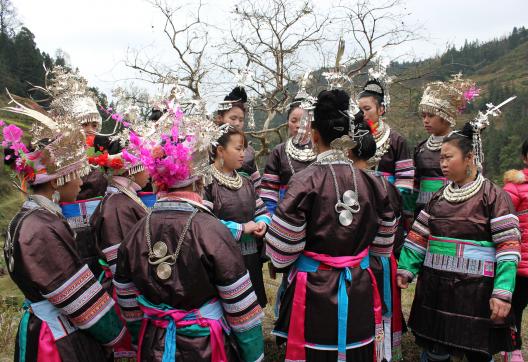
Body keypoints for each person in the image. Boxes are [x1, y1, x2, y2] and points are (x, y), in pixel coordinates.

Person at [114, 97, 265, 361]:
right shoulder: (212, 230)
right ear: (199, 180)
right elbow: (242, 310)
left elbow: (127, 301)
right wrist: (253, 355)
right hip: (205, 346)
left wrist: (143, 335)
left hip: (154, 345)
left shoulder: (137, 231)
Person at [266, 89, 396, 361]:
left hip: (312, 292)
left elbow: (280, 251)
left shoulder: (304, 181)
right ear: (349, 139)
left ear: (314, 136)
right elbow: (383, 247)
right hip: (359, 287)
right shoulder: (374, 183)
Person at [2, 96, 129, 361]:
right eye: (77, 173)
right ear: (59, 180)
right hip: (57, 338)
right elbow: (79, 300)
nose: (82, 181)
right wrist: (118, 335)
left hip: (50, 326)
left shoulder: (30, 218)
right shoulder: (41, 228)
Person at [397, 123, 521, 362]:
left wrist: (502, 291)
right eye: (440, 158)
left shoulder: (494, 197)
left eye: (447, 157)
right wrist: (407, 268)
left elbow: (508, 247)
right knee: (435, 351)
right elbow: (418, 237)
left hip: (476, 292)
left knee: (477, 352)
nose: (441, 163)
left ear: (469, 157)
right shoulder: (438, 197)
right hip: (436, 289)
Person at [349, 113, 405, 361]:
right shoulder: (386, 184)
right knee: (381, 313)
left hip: (363, 264)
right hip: (384, 260)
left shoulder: (352, 185)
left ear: (348, 153)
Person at [204, 127, 271, 307]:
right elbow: (203, 224)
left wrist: (262, 223)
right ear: (220, 150)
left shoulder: (245, 181)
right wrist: (241, 229)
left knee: (252, 307)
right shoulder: (206, 182)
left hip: (250, 257)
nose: (243, 154)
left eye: (244, 149)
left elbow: (261, 210)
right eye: (238, 149)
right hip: (222, 260)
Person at [413, 76, 479, 215]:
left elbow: (472, 177)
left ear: (445, 116)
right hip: (422, 208)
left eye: (430, 116)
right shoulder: (421, 148)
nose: (425, 120)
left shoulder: (461, 144)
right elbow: (415, 182)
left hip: (453, 206)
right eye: (423, 116)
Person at [357, 79, 414, 194]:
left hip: (388, 203)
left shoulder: (396, 140)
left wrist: (389, 201)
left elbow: (405, 180)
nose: (362, 114)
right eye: (360, 110)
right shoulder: (353, 138)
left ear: (381, 109)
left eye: (367, 109)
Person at [261, 100, 316, 215]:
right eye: (293, 121)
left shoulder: (321, 149)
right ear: (288, 123)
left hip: (317, 211)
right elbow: (269, 191)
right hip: (286, 212)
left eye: (303, 120)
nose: (298, 125)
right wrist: (270, 218)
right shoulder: (279, 151)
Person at [502, 138, 528, 362]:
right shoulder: (514, 188)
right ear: (525, 158)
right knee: (515, 307)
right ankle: (512, 347)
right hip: (520, 263)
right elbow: (502, 221)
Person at [216, 86, 261, 189]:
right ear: (219, 118)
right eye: (233, 118)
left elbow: (257, 187)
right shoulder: (207, 148)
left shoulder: (248, 151)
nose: (237, 123)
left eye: (241, 120)